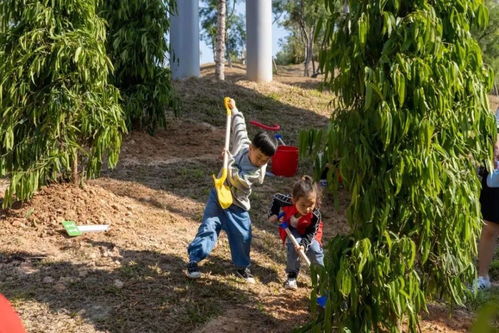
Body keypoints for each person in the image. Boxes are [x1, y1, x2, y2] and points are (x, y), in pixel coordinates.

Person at [186, 98, 277, 283]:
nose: (260, 162)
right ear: (251, 147)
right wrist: (235, 110)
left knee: (243, 236)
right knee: (209, 227)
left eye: (265, 160)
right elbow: (240, 127)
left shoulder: (258, 172)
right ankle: (194, 260)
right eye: (258, 156)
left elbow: (239, 180)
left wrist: (228, 162)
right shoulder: (243, 145)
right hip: (219, 196)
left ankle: (242, 267)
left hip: (237, 205)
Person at [268, 175, 324, 290]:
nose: (307, 209)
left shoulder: (315, 215)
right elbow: (276, 198)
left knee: (315, 250)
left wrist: (304, 245)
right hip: (293, 229)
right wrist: (273, 213)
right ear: (294, 200)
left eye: (311, 205)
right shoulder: (287, 201)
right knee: (293, 246)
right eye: (303, 205)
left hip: (310, 232)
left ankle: (322, 278)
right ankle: (292, 276)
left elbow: (311, 232)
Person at [476, 135, 499, 290]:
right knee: (489, 227)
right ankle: (483, 277)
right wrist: (494, 149)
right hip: (495, 170)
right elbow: (493, 131)